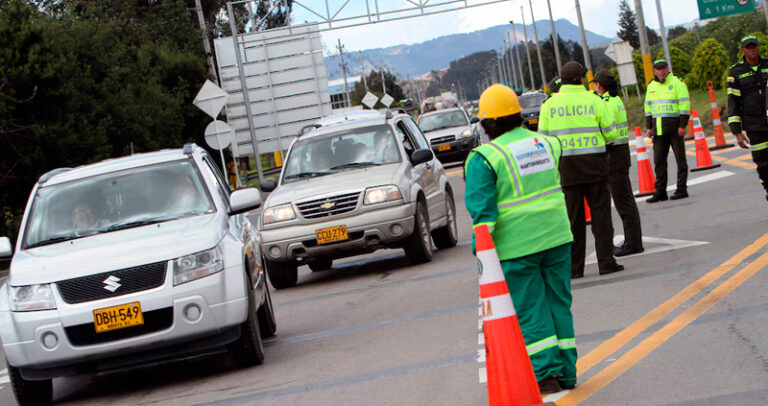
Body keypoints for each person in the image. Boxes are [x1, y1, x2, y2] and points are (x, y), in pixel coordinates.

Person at [465, 83, 577, 393]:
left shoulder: (485, 158)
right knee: (559, 304)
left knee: (530, 309)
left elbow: (482, 218)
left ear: (487, 123)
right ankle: (568, 372)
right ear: (518, 115)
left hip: (517, 248)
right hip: (557, 237)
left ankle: (545, 375)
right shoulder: (547, 143)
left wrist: (483, 260)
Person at [538, 61, 623, 278]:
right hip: (595, 166)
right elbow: (611, 133)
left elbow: (543, 140)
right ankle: (606, 262)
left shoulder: (549, 105)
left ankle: (575, 269)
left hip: (567, 169)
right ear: (580, 79)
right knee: (601, 217)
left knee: (572, 222)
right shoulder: (593, 100)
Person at [591, 69, 644, 257]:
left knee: (623, 200)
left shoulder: (607, 104)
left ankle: (633, 242)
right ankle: (633, 239)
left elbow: (607, 131)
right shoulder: (617, 100)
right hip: (621, 153)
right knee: (626, 197)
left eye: (595, 84)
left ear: (599, 85)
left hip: (614, 154)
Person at [726, 35, 768, 202]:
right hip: (754, 126)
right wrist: (737, 132)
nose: (752, 50)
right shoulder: (735, 72)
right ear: (743, 50)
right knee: (763, 163)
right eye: (749, 47)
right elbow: (733, 104)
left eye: (754, 46)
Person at [644, 59, 691, 203]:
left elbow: (684, 104)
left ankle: (681, 189)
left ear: (668, 69)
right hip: (658, 130)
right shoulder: (651, 86)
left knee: (680, 160)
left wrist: (682, 125)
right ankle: (660, 191)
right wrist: (649, 127)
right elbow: (648, 108)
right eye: (659, 69)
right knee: (659, 162)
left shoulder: (677, 83)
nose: (662, 71)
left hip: (675, 129)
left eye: (664, 68)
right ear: (654, 71)